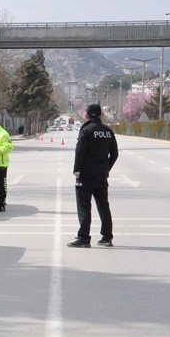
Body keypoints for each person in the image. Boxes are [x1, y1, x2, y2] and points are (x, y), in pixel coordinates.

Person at [68, 103, 119, 248]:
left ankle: (84, 238)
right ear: (101, 115)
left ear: (86, 116)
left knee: (84, 206)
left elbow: (80, 152)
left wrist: (77, 170)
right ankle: (107, 237)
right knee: (103, 206)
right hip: (101, 175)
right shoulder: (108, 131)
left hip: (85, 175)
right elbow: (114, 153)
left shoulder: (86, 130)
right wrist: (106, 168)